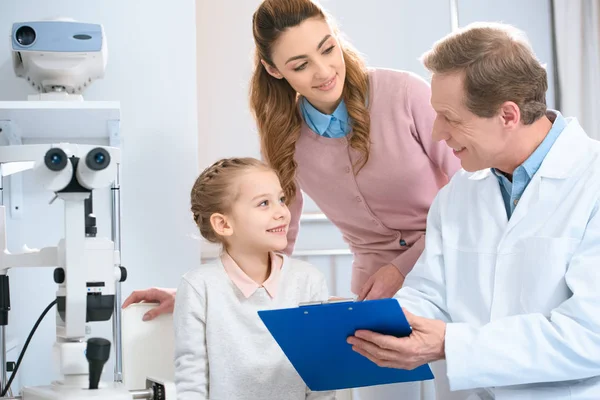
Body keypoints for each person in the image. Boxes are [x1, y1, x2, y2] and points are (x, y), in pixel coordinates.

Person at [123, 0, 460, 398]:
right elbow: (278, 235)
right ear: (273, 69)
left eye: (328, 48)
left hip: (449, 267)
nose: (324, 71)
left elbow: (468, 196)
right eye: (300, 65)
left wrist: (402, 267)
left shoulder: (404, 94)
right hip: (374, 296)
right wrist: (211, 290)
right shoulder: (285, 134)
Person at [347, 22, 600, 399]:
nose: (437, 133)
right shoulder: (458, 194)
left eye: (451, 117)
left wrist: (451, 344)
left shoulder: (591, 181)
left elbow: (589, 337)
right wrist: (385, 326)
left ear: (508, 116)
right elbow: (430, 292)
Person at [174, 157, 335, 400]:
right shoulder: (199, 287)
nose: (282, 212)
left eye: (281, 200)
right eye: (264, 203)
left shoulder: (308, 280)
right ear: (223, 224)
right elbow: (191, 381)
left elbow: (320, 379)